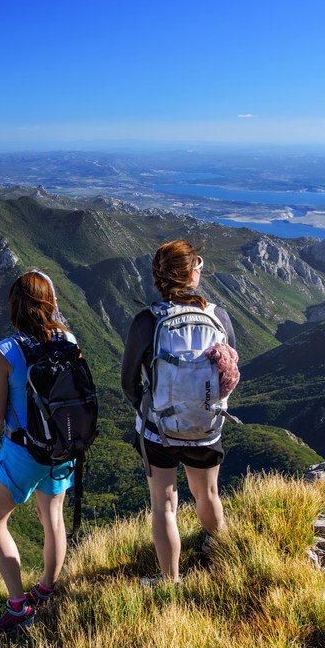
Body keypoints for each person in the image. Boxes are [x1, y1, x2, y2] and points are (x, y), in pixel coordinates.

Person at [120, 240, 237, 583]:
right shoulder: (219, 317)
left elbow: (128, 382)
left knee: (165, 506)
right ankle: (225, 560)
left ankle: (170, 581)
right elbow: (228, 373)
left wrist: (148, 409)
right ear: (190, 274)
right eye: (198, 264)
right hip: (206, 426)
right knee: (208, 495)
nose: (200, 269)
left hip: (159, 430)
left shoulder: (146, 321)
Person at [0, 269, 76, 631]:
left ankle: (19, 608)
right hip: (62, 445)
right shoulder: (69, 339)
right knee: (52, 519)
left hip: (23, 451)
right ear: (50, 302)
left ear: (15, 307)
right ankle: (47, 589)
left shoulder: (6, 352)